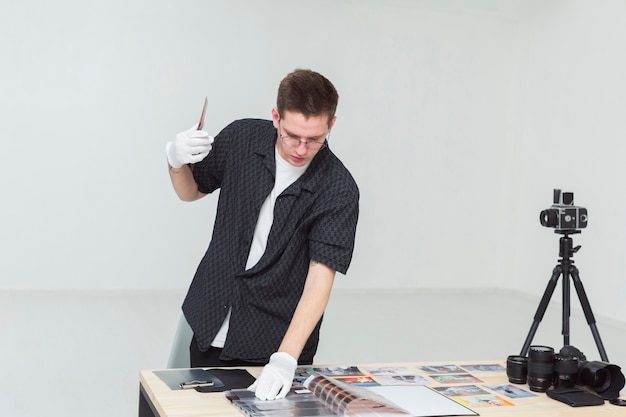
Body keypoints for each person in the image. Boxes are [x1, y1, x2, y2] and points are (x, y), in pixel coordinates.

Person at [165, 69, 359, 400]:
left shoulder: (338, 189)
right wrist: (175, 161)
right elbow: (191, 192)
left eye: (314, 139)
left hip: (273, 342)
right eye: (291, 135)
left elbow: (319, 278)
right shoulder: (241, 139)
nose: (301, 148)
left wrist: (284, 359)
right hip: (210, 318)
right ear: (275, 117)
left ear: (332, 125)